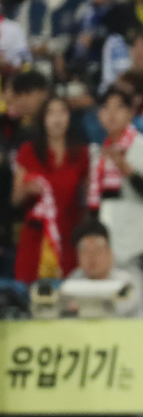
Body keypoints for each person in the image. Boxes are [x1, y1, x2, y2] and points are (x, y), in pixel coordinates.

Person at [87, 87, 143, 273]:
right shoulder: (99, 153)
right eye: (106, 108)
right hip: (107, 242)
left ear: (131, 113)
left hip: (136, 243)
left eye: (119, 108)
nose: (112, 114)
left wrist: (127, 170)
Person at [12, 94, 88, 282]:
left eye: (62, 112)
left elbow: (87, 198)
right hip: (36, 234)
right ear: (43, 119)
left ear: (69, 118)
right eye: (51, 113)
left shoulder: (82, 154)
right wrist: (26, 189)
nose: (57, 118)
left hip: (70, 232)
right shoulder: (28, 151)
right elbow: (15, 198)